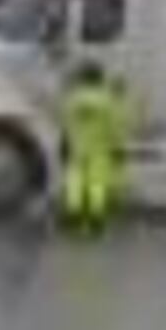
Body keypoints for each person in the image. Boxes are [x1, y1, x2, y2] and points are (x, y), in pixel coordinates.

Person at [57, 60, 131, 235]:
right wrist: (118, 147)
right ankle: (95, 221)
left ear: (83, 78)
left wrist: (65, 143)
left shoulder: (74, 98)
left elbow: (66, 123)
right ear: (99, 78)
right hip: (99, 149)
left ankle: (73, 217)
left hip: (77, 148)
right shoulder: (106, 100)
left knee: (75, 183)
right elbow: (115, 126)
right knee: (97, 184)